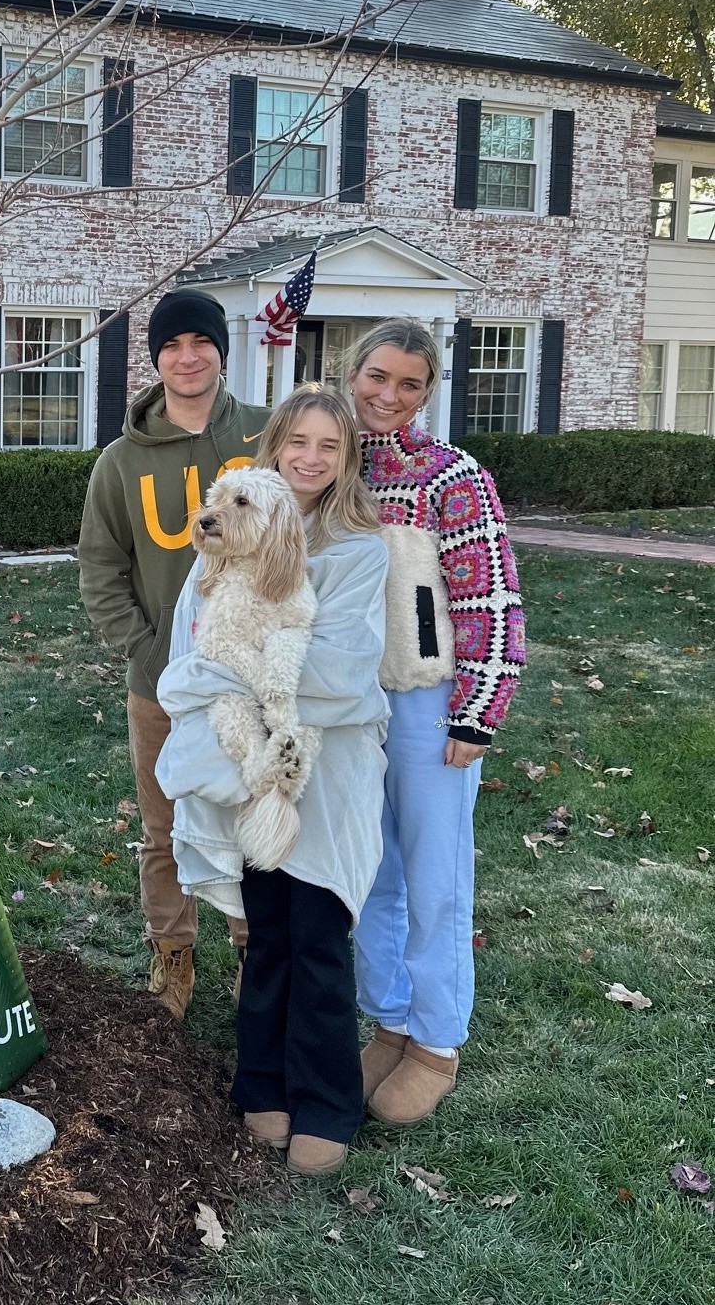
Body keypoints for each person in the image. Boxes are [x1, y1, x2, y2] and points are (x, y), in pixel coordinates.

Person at [157, 387, 388, 1175]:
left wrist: (243, 672)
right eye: (297, 441)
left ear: (347, 455)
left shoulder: (360, 549)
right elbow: (192, 658)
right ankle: (262, 1084)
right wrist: (243, 680)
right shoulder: (225, 536)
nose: (311, 457)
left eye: (329, 444)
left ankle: (327, 1100)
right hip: (249, 766)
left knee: (319, 935)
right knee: (266, 933)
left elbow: (347, 675)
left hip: (333, 768)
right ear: (275, 446)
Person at [348, 319, 525, 1124]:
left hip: (428, 703)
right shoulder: (328, 464)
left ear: (428, 390)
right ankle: (387, 1019)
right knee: (372, 871)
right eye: (377, 376)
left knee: (434, 875)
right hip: (352, 707)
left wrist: (477, 713)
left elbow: (488, 598)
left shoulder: (452, 476)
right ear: (353, 374)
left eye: (409, 383)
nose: (388, 395)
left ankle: (436, 1039)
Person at [79, 286, 270, 1022]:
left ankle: (257, 951)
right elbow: (100, 568)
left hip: (254, 679)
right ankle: (173, 955)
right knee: (164, 827)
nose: (187, 357)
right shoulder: (121, 463)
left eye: (201, 343)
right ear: (156, 360)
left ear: (222, 350)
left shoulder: (264, 436)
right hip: (161, 683)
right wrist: (147, 646)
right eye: (171, 347)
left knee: (255, 818)